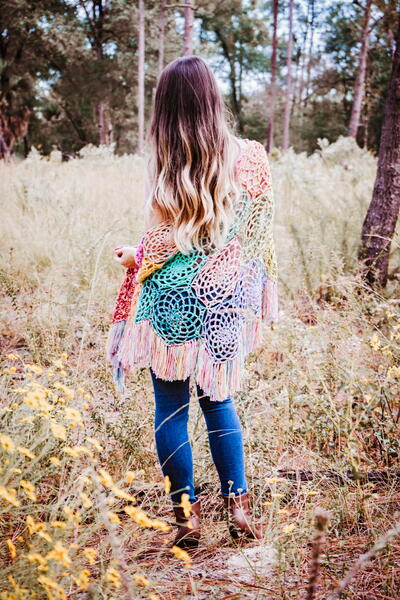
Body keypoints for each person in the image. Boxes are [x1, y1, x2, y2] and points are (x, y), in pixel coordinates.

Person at [108, 56, 278, 550]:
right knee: (220, 401)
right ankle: (239, 508)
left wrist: (134, 257)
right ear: (213, 99)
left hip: (171, 306)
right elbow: (250, 237)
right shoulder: (249, 157)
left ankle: (186, 518)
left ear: (165, 108)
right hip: (223, 300)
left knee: (169, 410)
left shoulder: (166, 162)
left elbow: (166, 246)